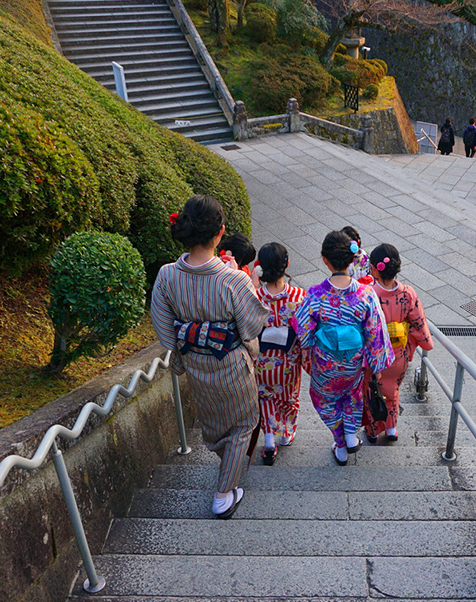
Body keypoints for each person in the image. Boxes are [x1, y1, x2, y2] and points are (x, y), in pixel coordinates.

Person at [151, 196, 269, 519]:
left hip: (195, 364)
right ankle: (223, 494)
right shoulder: (233, 279)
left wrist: (187, 341)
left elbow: (164, 329)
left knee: (214, 426)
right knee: (244, 424)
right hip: (230, 363)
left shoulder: (166, 276)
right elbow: (251, 327)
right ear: (220, 233)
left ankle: (227, 464)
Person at [294, 230, 394, 465]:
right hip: (353, 364)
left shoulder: (315, 295)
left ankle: (341, 442)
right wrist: (377, 366)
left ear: (325, 260)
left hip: (325, 365)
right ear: (352, 260)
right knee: (351, 396)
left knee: (323, 400)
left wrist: (309, 350)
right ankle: (350, 434)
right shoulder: (366, 293)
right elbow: (375, 333)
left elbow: (304, 333)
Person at [361, 244, 433, 443]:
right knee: (392, 392)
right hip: (398, 355)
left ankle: (374, 431)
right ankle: (391, 429)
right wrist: (409, 347)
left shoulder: (367, 294)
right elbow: (419, 325)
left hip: (374, 357)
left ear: (374, 269)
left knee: (372, 391)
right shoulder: (408, 293)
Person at [253, 242, 308, 466]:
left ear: (261, 267)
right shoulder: (299, 296)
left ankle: (268, 441)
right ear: (286, 265)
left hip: (263, 361)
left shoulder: (254, 297)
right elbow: (305, 331)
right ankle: (285, 434)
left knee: (265, 398)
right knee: (289, 398)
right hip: (289, 361)